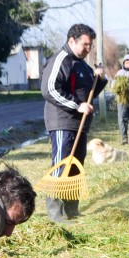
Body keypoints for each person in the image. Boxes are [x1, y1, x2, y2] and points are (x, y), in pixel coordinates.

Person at [41, 23, 108, 223]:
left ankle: (71, 210)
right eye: (85, 44)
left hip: (80, 124)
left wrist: (100, 80)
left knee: (76, 166)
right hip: (63, 122)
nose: (88, 49)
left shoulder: (82, 64)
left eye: (90, 45)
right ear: (72, 40)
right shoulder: (61, 60)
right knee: (62, 164)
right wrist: (76, 105)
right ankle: (55, 213)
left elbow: (88, 95)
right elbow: (50, 90)